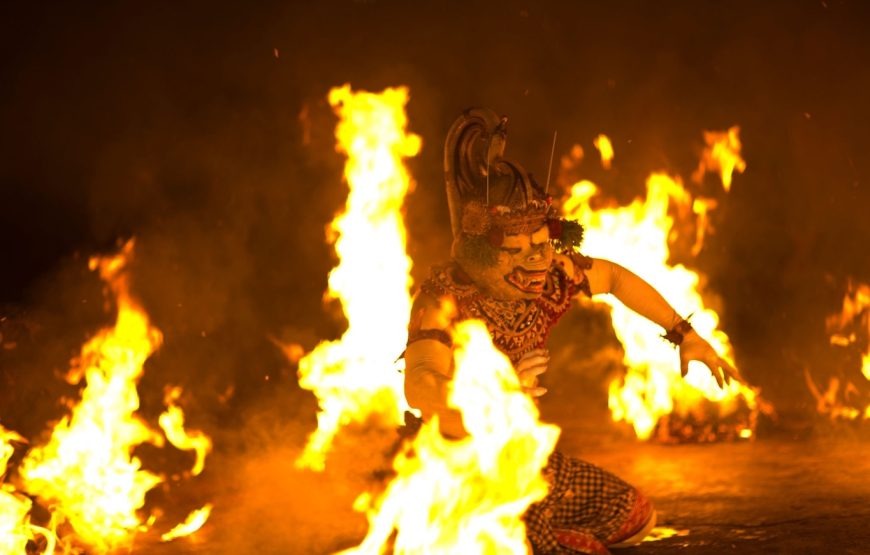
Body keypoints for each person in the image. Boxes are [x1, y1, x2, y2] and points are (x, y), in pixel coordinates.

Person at [402, 108, 740, 554]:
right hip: (463, 472)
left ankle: (550, 537)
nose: (536, 260)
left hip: (522, 456)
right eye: (516, 251)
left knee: (633, 516)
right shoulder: (443, 301)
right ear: (479, 253)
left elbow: (615, 278)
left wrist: (683, 332)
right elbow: (421, 387)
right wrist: (498, 399)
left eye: (541, 244)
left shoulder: (552, 279)